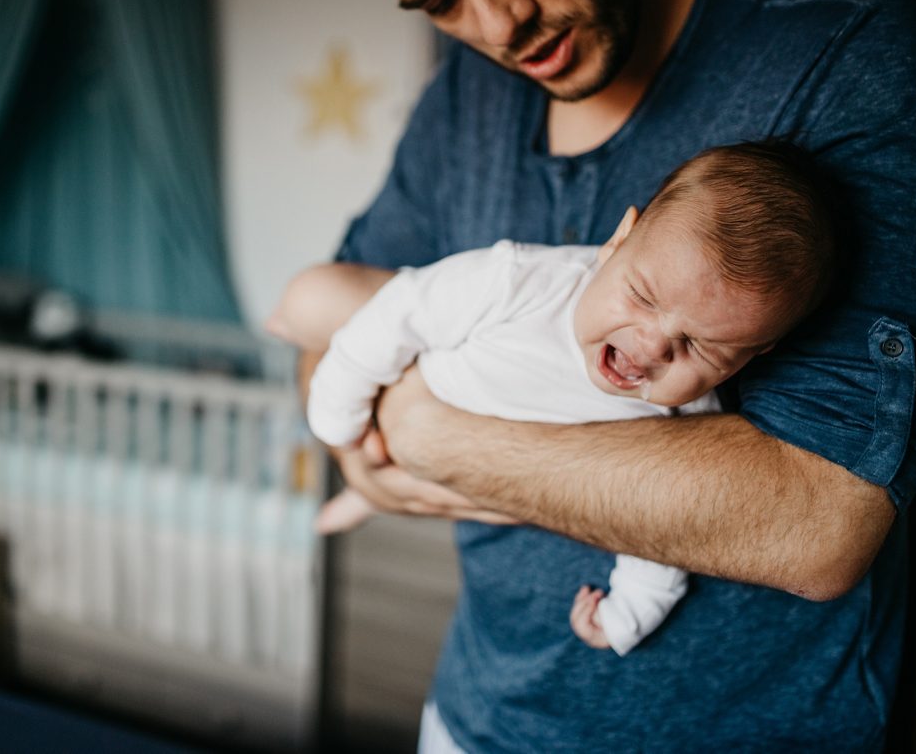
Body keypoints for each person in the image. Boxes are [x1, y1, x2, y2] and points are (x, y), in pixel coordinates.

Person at [301, 0, 916, 749]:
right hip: (478, 717)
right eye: (440, 2)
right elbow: (336, 318)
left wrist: (419, 428)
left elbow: (818, 526)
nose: (500, 21)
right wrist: (352, 449)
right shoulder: (463, 98)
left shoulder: (849, 53)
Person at [272, 142, 837, 657]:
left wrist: (630, 612)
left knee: (434, 476)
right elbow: (402, 312)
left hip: (477, 467)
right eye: (641, 295)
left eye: (700, 347)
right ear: (617, 243)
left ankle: (372, 492)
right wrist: (338, 415)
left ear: (748, 357)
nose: (651, 346)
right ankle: (367, 483)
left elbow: (660, 523)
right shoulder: (523, 279)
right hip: (429, 376)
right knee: (322, 302)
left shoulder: (685, 417)